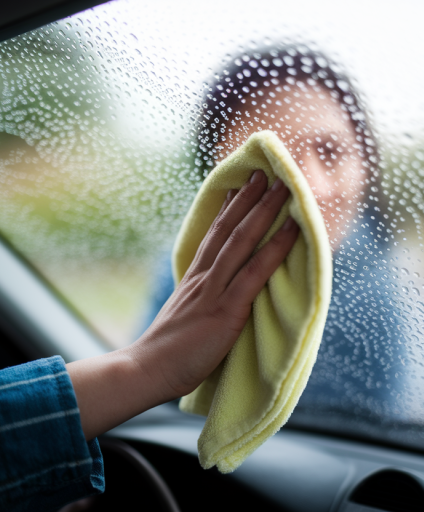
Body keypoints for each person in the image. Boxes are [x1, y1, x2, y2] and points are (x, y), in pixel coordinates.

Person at [0, 173, 299, 511]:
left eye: (327, 151)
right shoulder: (170, 269)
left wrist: (145, 367)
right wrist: (146, 367)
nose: (303, 178)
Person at [145, 45, 405, 424]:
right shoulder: (184, 268)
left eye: (330, 151)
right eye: (274, 158)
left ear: (366, 162)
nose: (312, 188)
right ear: (219, 177)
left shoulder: (371, 294)